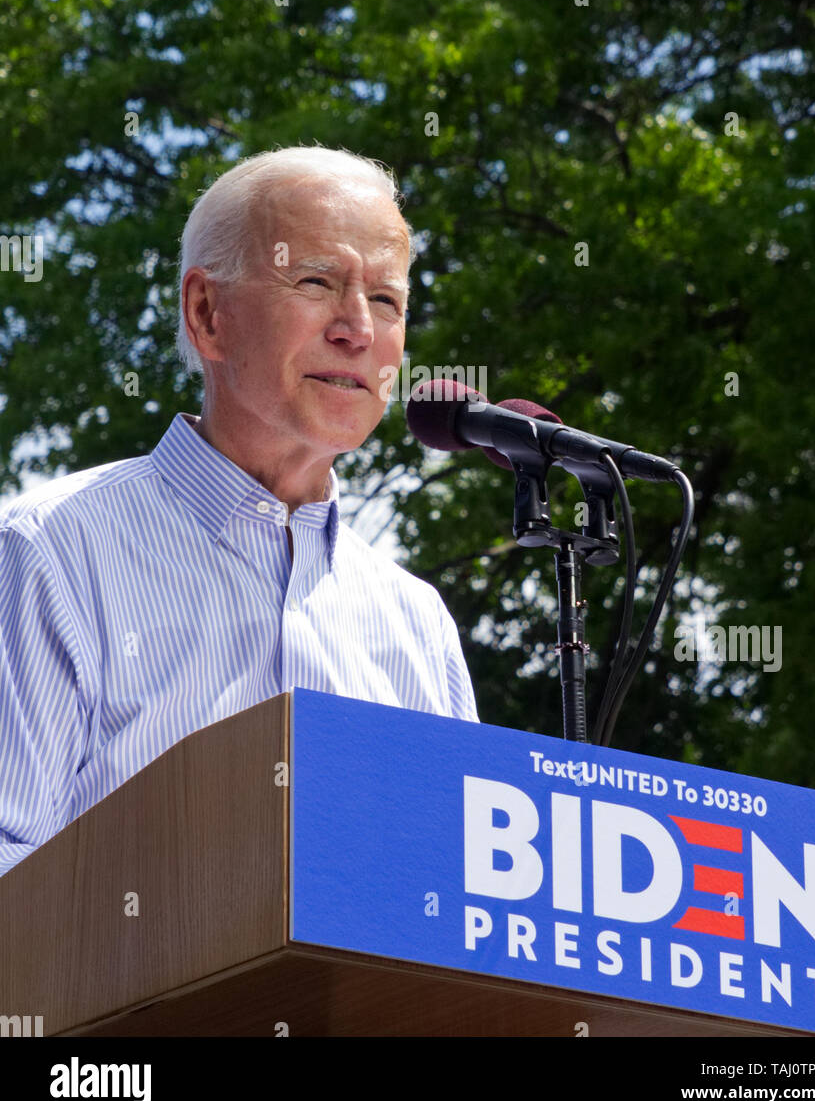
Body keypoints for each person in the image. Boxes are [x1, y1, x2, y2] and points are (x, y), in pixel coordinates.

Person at [0, 145, 478, 879]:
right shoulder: (50, 553)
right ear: (207, 314)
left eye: (387, 300)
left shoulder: (418, 625)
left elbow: (455, 897)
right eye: (316, 282)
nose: (357, 328)